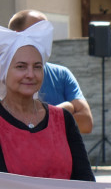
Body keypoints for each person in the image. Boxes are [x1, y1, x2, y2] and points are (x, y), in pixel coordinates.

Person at [0, 19, 93, 180]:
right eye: (21, 66)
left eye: (37, 66)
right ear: (4, 72)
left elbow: (85, 182)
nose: (30, 74)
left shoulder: (63, 120)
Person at [8, 9, 93, 134]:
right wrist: (65, 109)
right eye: (38, 32)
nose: (30, 75)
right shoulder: (3, 75)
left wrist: (36, 123)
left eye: (47, 33)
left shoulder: (61, 74)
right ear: (17, 35)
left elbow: (86, 123)